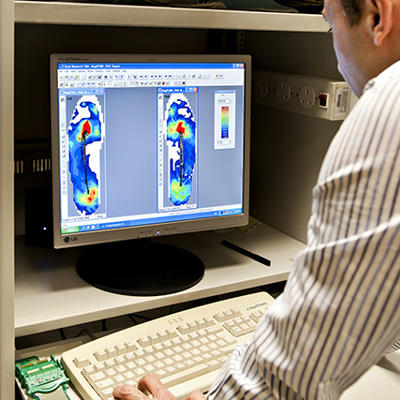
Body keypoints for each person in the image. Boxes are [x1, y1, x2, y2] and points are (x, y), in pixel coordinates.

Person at [113, 0, 400, 398]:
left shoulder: (389, 108)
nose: (336, 59)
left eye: (331, 27)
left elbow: (291, 377)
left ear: (378, 17)